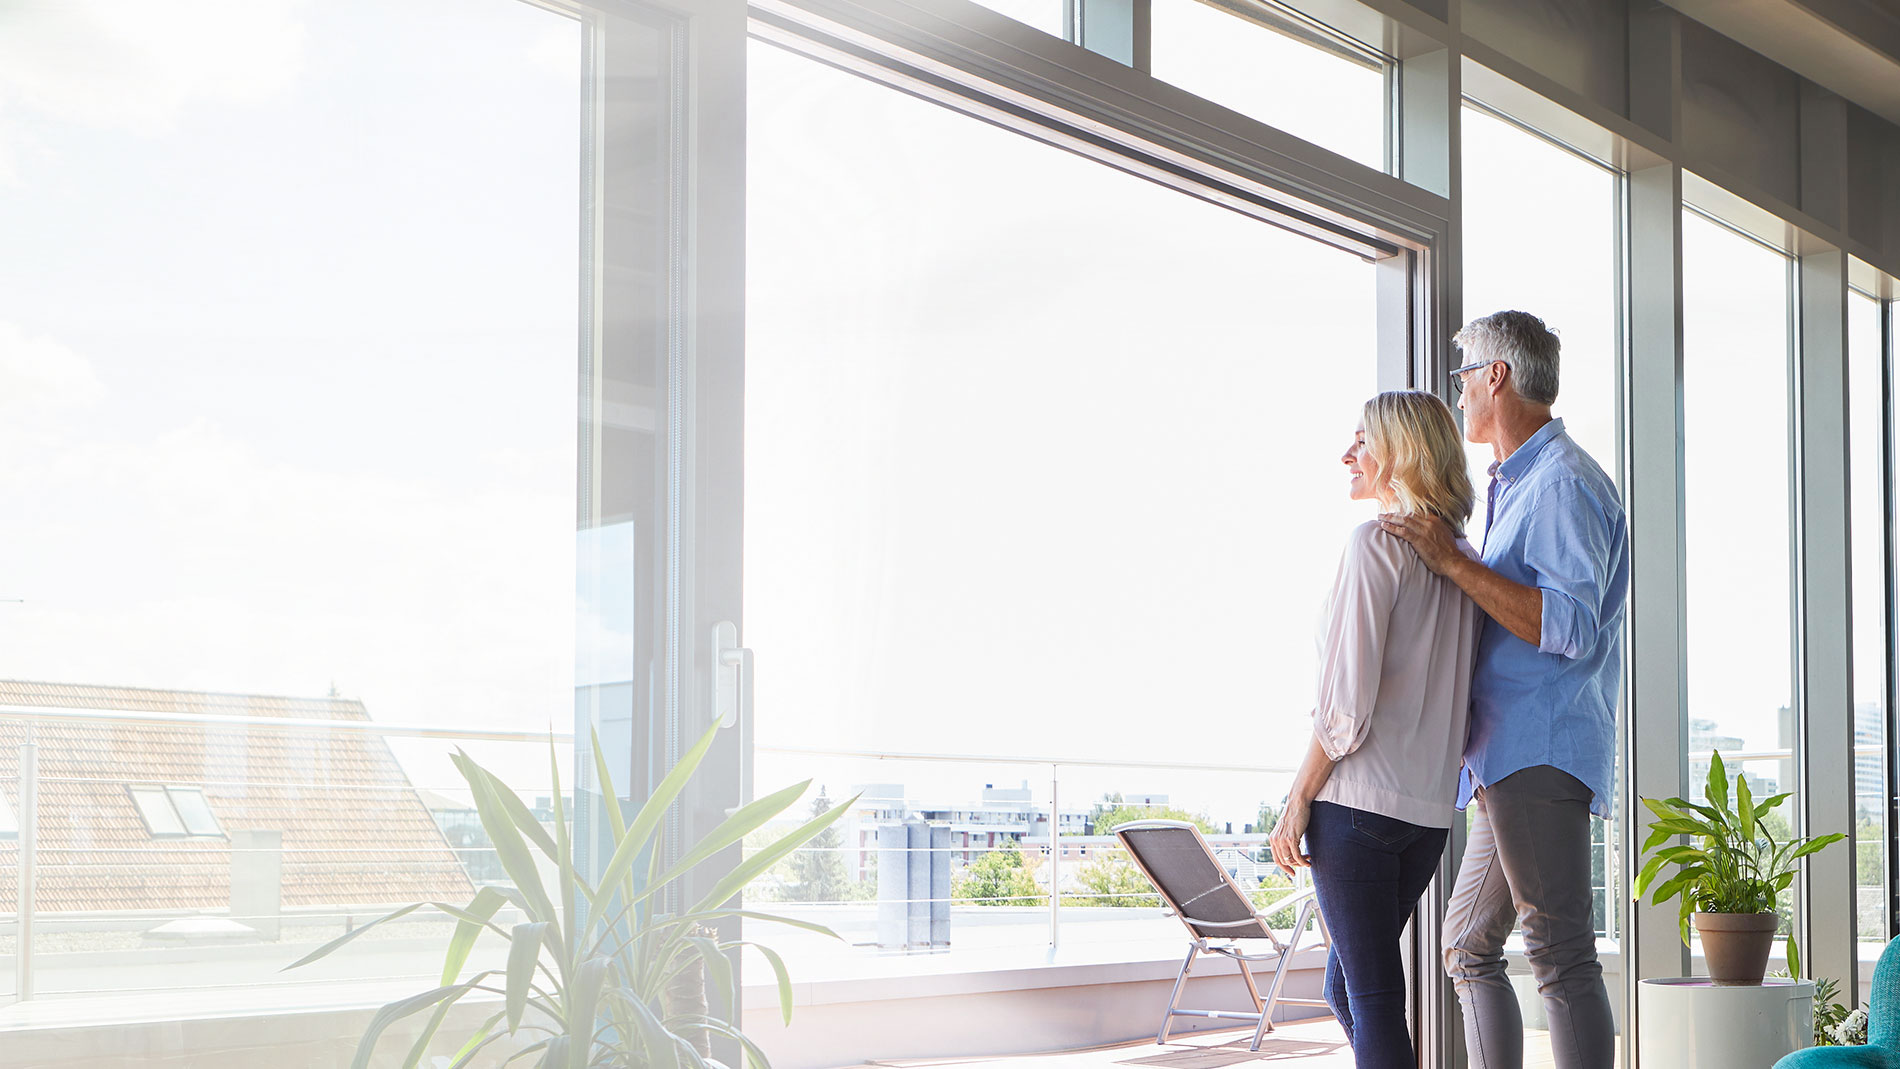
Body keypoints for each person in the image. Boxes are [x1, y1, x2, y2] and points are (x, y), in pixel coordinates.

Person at [1381, 310, 1627, 1069]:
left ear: (1498, 375)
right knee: (1465, 945)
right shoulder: (1518, 483)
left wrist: (1455, 565)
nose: (1457, 393)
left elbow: (1571, 623)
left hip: (1539, 748)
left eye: (1464, 376)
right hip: (1505, 756)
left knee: (1560, 953)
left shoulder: (1562, 482)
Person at [1268, 389, 1483, 1069]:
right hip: (1424, 819)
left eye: (1362, 440)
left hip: (1356, 808)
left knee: (1374, 999)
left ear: (1400, 452)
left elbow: (1344, 709)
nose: (1347, 454)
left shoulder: (1374, 544)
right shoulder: (1462, 559)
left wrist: (1298, 797)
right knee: (1348, 984)